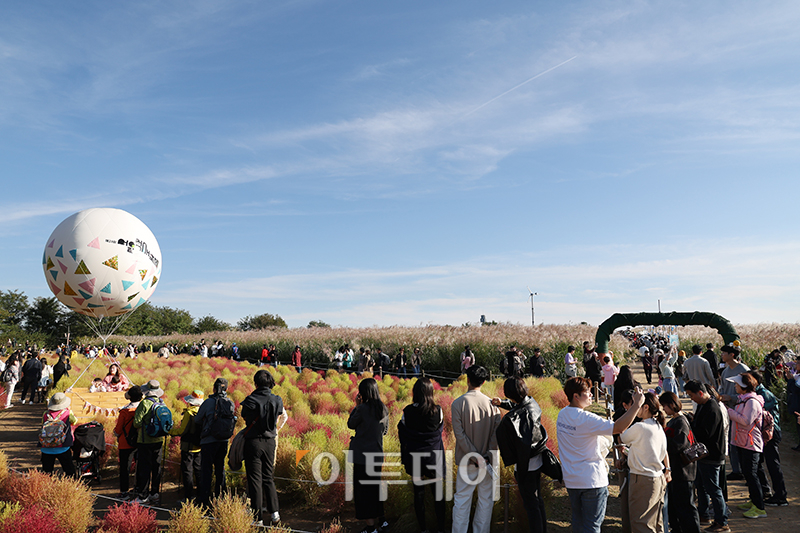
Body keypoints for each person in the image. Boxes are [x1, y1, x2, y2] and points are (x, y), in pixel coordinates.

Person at [557, 377, 644, 533]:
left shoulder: (562, 415)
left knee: (578, 523)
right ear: (576, 396)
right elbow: (618, 427)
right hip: (592, 481)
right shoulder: (586, 419)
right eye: (587, 392)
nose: (591, 394)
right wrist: (637, 405)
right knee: (592, 526)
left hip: (572, 479)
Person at [493, 378, 548, 533]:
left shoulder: (515, 417)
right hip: (538, 461)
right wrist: (503, 403)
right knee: (537, 501)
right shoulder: (532, 403)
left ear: (509, 393)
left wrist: (520, 472)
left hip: (527, 465)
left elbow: (523, 448)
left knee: (531, 506)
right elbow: (519, 407)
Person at [451, 366, 501, 533]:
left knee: (462, 501)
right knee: (486, 501)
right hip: (488, 462)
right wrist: (485, 456)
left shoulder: (457, 404)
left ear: (467, 380)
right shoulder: (493, 406)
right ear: (484, 381)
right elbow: (495, 436)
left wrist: (475, 456)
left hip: (467, 462)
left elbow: (460, 436)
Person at [241, 369, 289, 525]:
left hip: (253, 442)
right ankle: (275, 514)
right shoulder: (277, 400)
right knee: (268, 478)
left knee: (255, 480)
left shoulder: (250, 400)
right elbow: (280, 414)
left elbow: (244, 416)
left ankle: (258, 519)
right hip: (270, 442)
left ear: (256, 383)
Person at [398, 377, 445, 533]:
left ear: (415, 392)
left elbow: (402, 430)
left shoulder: (408, 411)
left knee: (418, 493)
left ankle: (423, 529)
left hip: (415, 457)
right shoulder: (438, 411)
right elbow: (439, 430)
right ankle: (441, 529)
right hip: (433, 458)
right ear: (430, 392)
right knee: (438, 494)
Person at [619, 392, 669, 533]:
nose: (633, 408)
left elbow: (622, 435)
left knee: (641, 523)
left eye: (637, 405)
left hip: (643, 479)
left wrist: (630, 415)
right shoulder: (657, 426)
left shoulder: (640, 427)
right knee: (656, 523)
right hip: (657, 478)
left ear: (645, 407)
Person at [684, 381, 729, 532]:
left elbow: (705, 433)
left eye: (691, 395)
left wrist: (691, 426)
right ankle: (704, 514)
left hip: (712, 456)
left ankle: (722, 522)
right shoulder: (703, 405)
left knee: (714, 490)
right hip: (704, 455)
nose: (691, 399)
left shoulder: (712, 408)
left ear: (700, 393)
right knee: (701, 486)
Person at [348, 378, 389, 533]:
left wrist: (357, 406)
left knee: (363, 493)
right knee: (375, 488)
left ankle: (371, 528)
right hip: (376, 454)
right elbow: (385, 431)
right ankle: (382, 521)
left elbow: (351, 424)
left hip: (362, 456)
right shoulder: (383, 408)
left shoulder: (362, 409)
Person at [725, 372, 766, 519]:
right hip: (744, 442)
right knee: (748, 474)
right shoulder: (744, 399)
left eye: (737, 384)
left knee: (752, 475)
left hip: (751, 444)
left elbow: (746, 421)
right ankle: (754, 501)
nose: (735, 386)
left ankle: (759, 507)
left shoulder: (751, 402)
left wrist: (728, 411)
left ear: (744, 386)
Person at [659, 391, 701, 533]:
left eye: (664, 406)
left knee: (686, 506)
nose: (664, 409)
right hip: (677, 470)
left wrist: (662, 444)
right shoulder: (675, 420)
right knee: (677, 505)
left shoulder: (681, 422)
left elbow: (679, 445)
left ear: (671, 404)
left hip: (684, 471)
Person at [750, 371, 788, 507]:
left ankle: (780, 496)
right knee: (759, 463)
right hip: (763, 434)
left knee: (773, 464)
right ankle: (765, 491)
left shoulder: (763, 395)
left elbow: (766, 417)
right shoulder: (757, 393)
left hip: (770, 434)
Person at [195, 378, 233, 508]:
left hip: (208, 441)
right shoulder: (230, 402)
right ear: (226, 389)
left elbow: (197, 419)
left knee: (206, 471)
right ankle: (220, 499)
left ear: (214, 389)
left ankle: (204, 500)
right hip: (223, 441)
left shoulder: (208, 402)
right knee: (220, 469)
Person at [133, 380, 169, 504]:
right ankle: (155, 494)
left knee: (144, 468)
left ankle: (143, 496)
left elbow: (136, 423)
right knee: (156, 467)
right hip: (159, 439)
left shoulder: (144, 403)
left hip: (145, 440)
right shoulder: (162, 402)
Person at [718, 344, 749, 480]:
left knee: (742, 442)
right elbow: (722, 389)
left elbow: (749, 393)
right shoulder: (725, 371)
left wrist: (731, 397)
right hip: (729, 411)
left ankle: (744, 470)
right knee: (732, 441)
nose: (722, 355)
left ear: (732, 355)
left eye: (724, 353)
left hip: (742, 412)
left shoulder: (744, 370)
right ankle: (737, 470)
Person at [170, 390, 204, 502]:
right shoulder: (203, 412)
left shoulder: (189, 413)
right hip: (199, 446)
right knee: (198, 471)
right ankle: (200, 495)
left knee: (187, 471)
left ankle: (188, 496)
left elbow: (182, 431)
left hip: (188, 447)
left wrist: (170, 431)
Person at [114, 386, 142, 500]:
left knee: (125, 468)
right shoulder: (142, 409)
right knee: (140, 467)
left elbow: (118, 429)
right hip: (140, 441)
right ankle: (139, 489)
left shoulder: (124, 411)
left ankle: (124, 492)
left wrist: (115, 433)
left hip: (125, 443)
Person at [40, 392, 78, 477]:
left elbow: (43, 423)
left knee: (47, 472)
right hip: (63, 446)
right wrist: (69, 410)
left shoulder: (46, 414)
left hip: (46, 446)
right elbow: (75, 421)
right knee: (69, 470)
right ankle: (71, 483)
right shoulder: (67, 413)